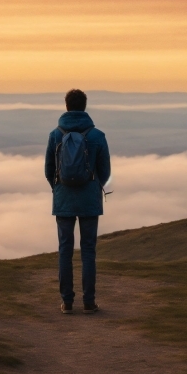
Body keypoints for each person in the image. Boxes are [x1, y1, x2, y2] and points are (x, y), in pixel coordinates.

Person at [45, 89, 111, 314]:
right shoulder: (97, 136)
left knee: (65, 250)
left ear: (66, 106)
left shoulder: (55, 135)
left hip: (63, 200)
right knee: (88, 251)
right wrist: (92, 187)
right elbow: (106, 171)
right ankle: (89, 302)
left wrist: (59, 188)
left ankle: (67, 302)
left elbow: (48, 170)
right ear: (84, 106)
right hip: (89, 200)